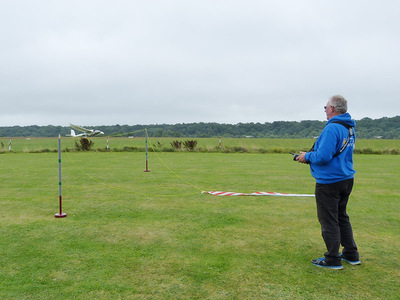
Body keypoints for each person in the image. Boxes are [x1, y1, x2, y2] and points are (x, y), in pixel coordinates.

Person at [296, 95, 361, 270]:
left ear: (332, 108)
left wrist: (305, 156)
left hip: (330, 181)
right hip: (346, 179)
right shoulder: (349, 127)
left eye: (325, 108)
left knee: (329, 220)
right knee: (341, 217)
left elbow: (323, 157)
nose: (325, 111)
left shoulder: (332, 128)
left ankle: (332, 259)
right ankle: (351, 254)